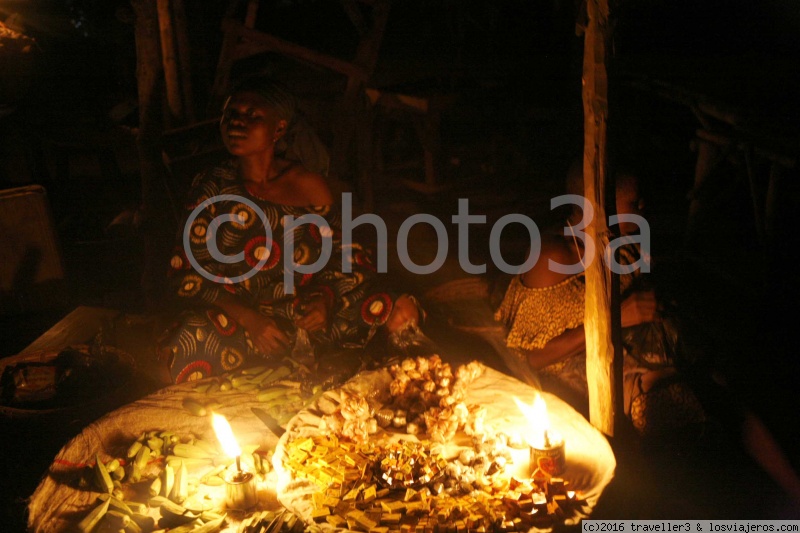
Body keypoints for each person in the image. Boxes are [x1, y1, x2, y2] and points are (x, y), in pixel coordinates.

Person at [493, 158, 800, 505]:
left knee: (726, 378)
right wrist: (616, 318)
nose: (643, 207)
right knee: (667, 396)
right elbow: (532, 357)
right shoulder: (554, 257)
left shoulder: (620, 243)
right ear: (600, 205)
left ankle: (789, 491)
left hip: (631, 348)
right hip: (579, 367)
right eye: (633, 203)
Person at [157, 75, 422, 384]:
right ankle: (303, 362)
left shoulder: (307, 184)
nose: (237, 123)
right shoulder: (211, 186)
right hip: (241, 319)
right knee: (181, 345)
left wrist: (325, 299)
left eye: (252, 116)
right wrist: (250, 319)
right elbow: (184, 272)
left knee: (399, 310)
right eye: (232, 115)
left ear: (279, 129)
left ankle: (331, 360)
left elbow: (344, 255)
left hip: (306, 313)